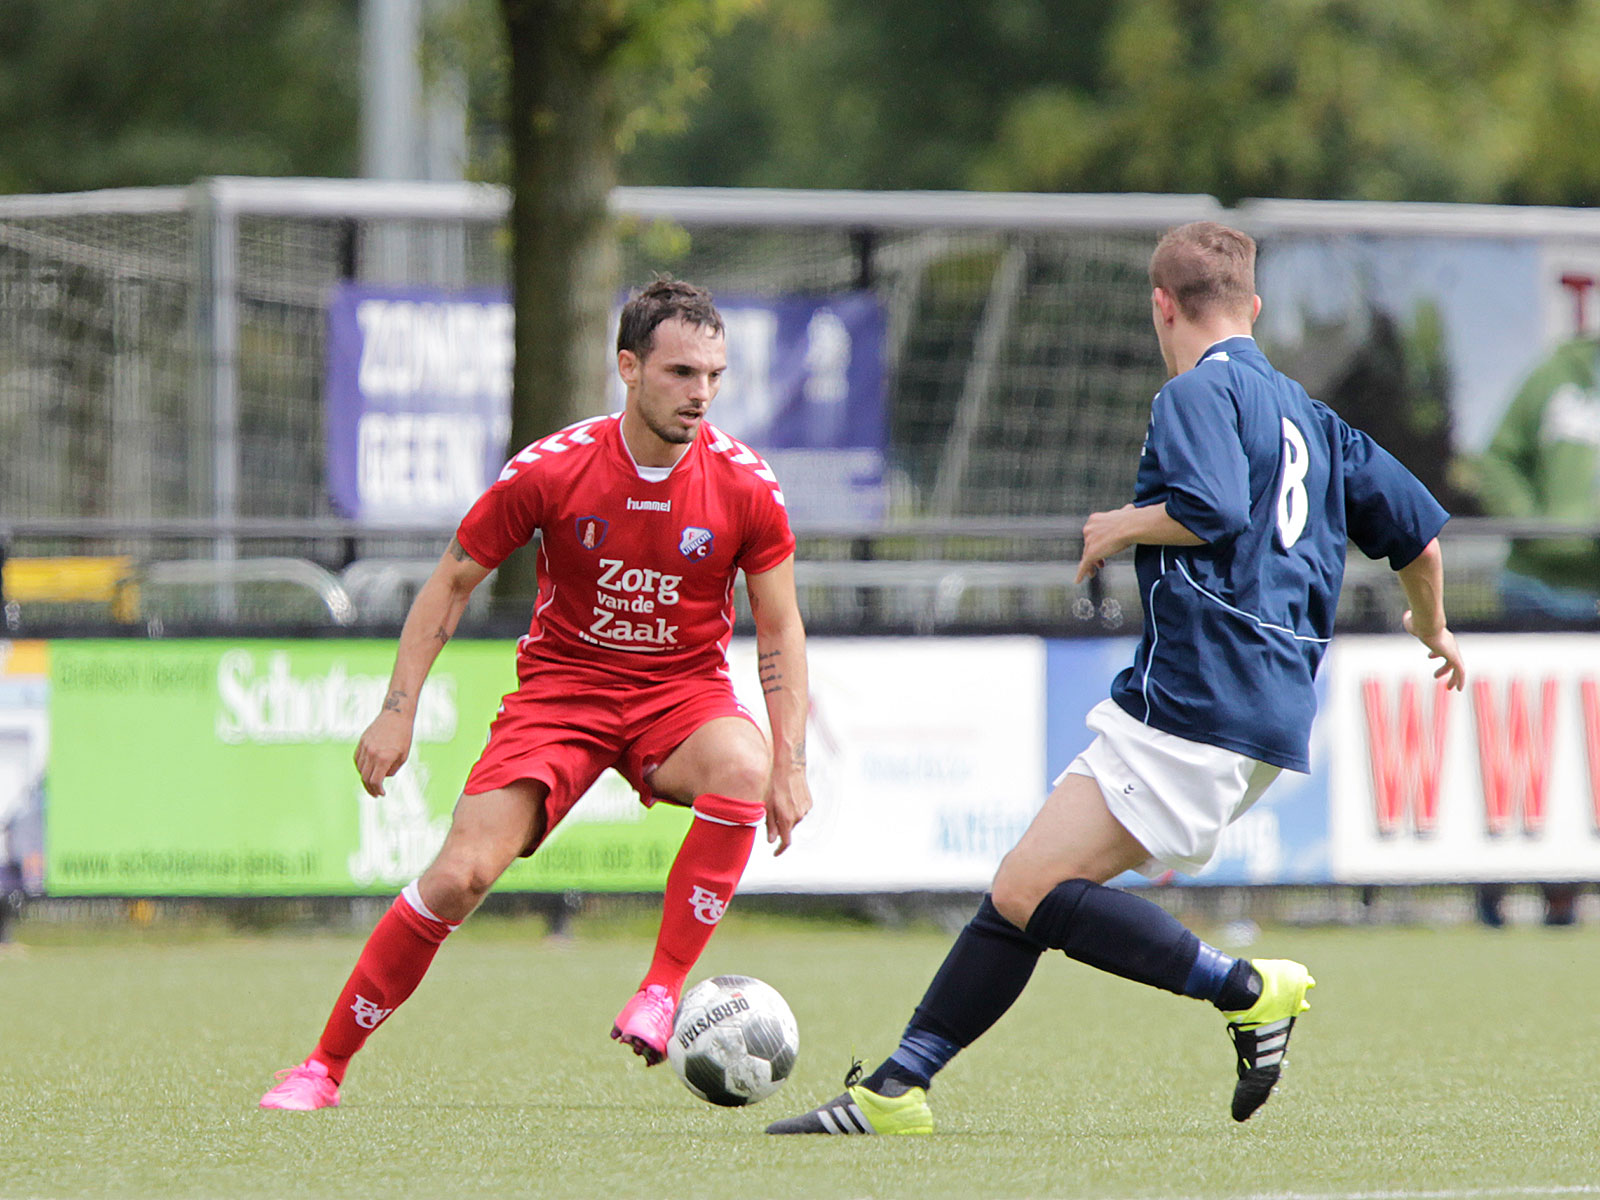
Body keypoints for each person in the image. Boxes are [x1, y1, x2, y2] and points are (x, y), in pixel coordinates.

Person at [768, 221, 1467, 1136]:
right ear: (1252, 308)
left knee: (1030, 890)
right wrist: (1434, 622)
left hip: (1202, 692)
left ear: (1160, 305)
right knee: (1023, 883)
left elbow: (1211, 508)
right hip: (1266, 703)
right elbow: (1417, 532)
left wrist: (1121, 524)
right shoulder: (1312, 413)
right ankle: (898, 1088)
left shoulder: (1192, 393)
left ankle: (1246, 988)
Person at [261, 279, 813, 1111]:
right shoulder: (553, 470)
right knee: (459, 877)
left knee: (744, 765)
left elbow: (778, 628)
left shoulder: (746, 486)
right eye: (679, 373)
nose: (700, 393)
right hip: (564, 695)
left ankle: (662, 992)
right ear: (628, 368)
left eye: (713, 375)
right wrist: (397, 711)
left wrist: (791, 765)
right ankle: (322, 1067)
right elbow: (449, 584)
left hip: (680, 695)